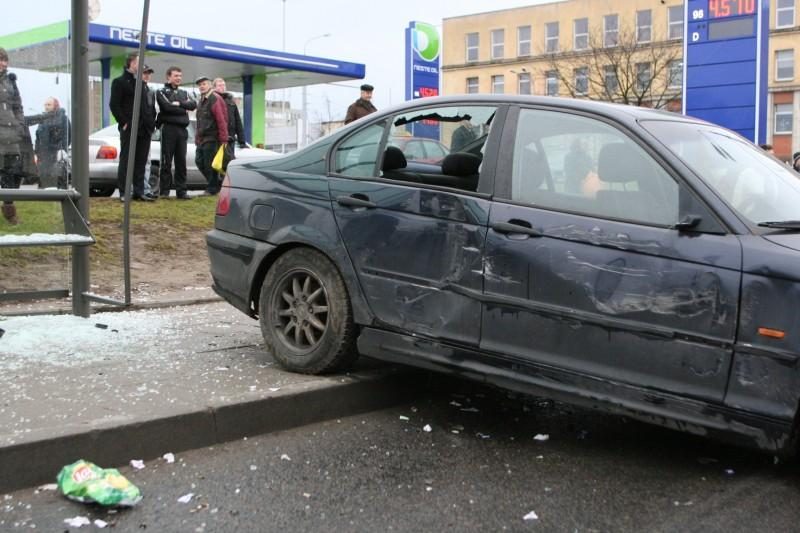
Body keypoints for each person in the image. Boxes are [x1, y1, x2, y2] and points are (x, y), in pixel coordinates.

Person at [109, 53, 155, 201]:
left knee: (141, 161)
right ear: (131, 63)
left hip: (144, 129)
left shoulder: (142, 84)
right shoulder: (119, 82)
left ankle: (139, 191)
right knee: (127, 160)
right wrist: (124, 122)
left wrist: (150, 124)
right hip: (129, 128)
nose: (141, 66)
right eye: (138, 62)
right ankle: (124, 192)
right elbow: (114, 105)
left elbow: (147, 107)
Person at [0, 47, 36, 224]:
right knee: (4, 171)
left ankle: (8, 206)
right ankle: (9, 211)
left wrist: (20, 124)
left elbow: (18, 106)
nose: (3, 63)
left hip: (12, 133)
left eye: (5, 60)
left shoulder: (10, 81)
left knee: (14, 172)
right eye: (0, 59)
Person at [156, 66, 196, 199]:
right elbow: (166, 107)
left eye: (180, 76)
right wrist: (182, 108)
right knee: (166, 161)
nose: (178, 78)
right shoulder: (161, 91)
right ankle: (165, 192)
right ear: (169, 77)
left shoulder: (184, 92)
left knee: (181, 161)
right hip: (168, 130)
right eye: (175, 76)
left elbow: (193, 105)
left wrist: (178, 104)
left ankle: (181, 191)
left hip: (182, 131)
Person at [194, 75, 228, 196]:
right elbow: (199, 121)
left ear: (210, 85)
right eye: (200, 85)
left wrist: (224, 138)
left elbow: (221, 119)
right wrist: (197, 138)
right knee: (199, 161)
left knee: (210, 164)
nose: (202, 86)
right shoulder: (202, 100)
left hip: (212, 138)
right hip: (202, 138)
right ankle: (216, 184)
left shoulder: (215, 98)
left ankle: (212, 188)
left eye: (204, 84)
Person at [32, 97, 70, 189]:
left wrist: (62, 149)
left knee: (57, 176)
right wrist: (37, 152)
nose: (46, 107)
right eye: (45, 105)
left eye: (49, 105)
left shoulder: (62, 118)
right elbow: (38, 137)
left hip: (56, 153)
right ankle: (44, 199)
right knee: (44, 178)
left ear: (55, 105)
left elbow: (67, 135)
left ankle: (59, 196)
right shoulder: (42, 119)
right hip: (43, 155)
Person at [213, 78, 246, 154]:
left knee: (229, 163)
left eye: (224, 85)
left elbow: (238, 121)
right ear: (214, 88)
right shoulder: (212, 100)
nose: (222, 87)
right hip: (217, 139)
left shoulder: (231, 102)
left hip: (230, 139)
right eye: (220, 85)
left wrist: (242, 141)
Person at [141, 65, 157, 200]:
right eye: (144, 73)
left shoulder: (150, 91)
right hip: (138, 131)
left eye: (148, 73)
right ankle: (136, 189)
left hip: (147, 131)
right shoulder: (135, 89)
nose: (147, 75)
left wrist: (152, 125)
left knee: (147, 162)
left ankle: (145, 189)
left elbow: (152, 110)